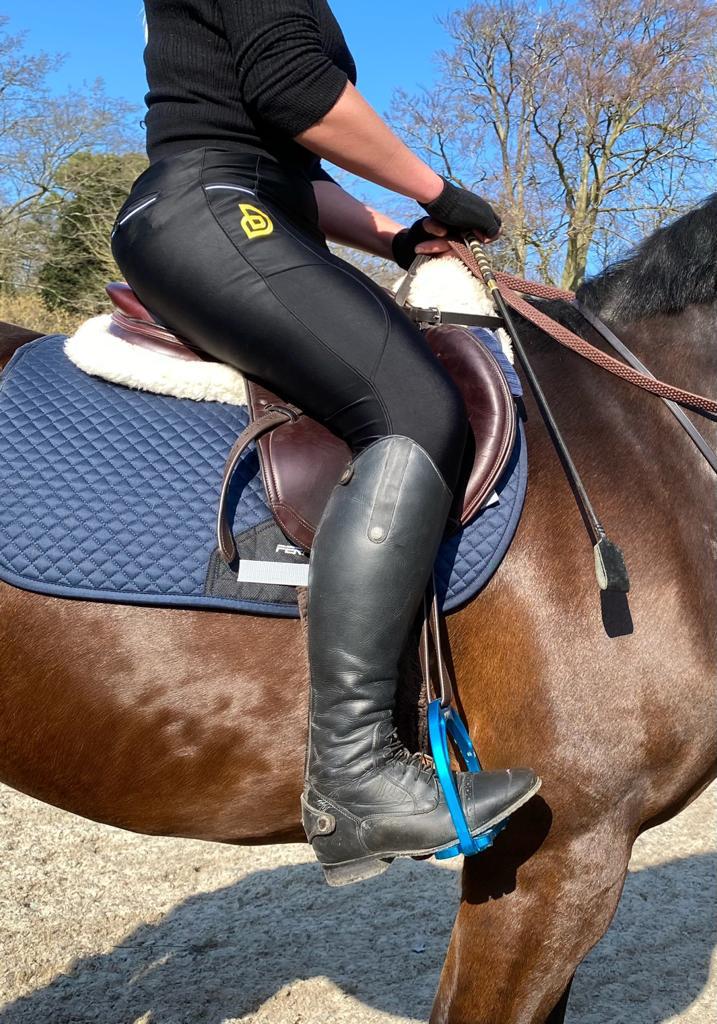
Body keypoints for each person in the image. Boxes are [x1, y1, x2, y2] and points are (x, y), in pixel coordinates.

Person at [111, 0, 540, 887]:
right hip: (207, 203)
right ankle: (353, 774)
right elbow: (293, 87)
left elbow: (287, 162)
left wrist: (398, 237)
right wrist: (434, 188)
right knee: (416, 409)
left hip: (248, 203)